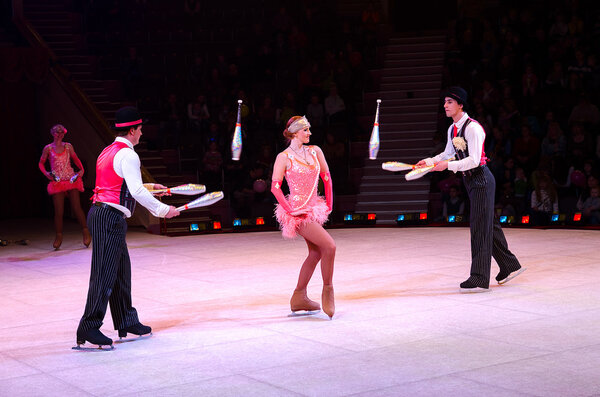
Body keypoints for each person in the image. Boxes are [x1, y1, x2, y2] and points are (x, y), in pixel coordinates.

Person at [76, 107, 180, 349]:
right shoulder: (129, 155)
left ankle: (126, 320)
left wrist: (151, 187)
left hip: (105, 215)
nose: (142, 133)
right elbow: (135, 191)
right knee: (104, 273)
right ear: (132, 130)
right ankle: (89, 326)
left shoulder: (108, 150)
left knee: (121, 271)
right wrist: (164, 210)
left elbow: (117, 183)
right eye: (140, 129)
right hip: (108, 217)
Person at [417, 87, 525, 292]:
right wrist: (430, 161)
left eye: (449, 102)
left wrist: (447, 166)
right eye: (445, 102)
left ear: (460, 104)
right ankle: (510, 266)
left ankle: (479, 276)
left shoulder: (473, 128)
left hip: (481, 179)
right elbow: (449, 153)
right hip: (470, 181)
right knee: (488, 226)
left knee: (479, 228)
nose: (445, 105)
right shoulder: (452, 129)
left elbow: (475, 160)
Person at [271, 116, 336, 318]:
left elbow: (326, 178)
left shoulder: (315, 151)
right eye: (306, 130)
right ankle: (328, 291)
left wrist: (329, 205)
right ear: (295, 132)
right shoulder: (284, 157)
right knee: (330, 246)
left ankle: (299, 297)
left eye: (309, 130)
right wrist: (290, 210)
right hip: (298, 212)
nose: (309, 133)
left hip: (314, 207)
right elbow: (275, 188)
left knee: (316, 253)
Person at [38, 124, 91, 250]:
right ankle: (59, 236)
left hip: (70, 180)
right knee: (59, 211)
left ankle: (85, 231)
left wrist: (81, 170)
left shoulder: (68, 146)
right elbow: (41, 163)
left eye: (62, 132)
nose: (59, 134)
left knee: (77, 207)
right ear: (52, 133)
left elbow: (76, 159)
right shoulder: (48, 148)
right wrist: (46, 174)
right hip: (58, 181)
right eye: (57, 132)